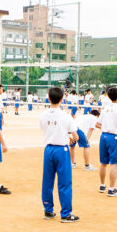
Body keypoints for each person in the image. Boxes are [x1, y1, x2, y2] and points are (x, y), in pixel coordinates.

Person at [39, 86, 79, 223]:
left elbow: (45, 129)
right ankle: (66, 213)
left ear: (49, 98)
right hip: (62, 150)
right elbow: (76, 137)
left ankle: (48, 210)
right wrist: (68, 136)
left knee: (47, 181)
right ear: (62, 99)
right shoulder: (66, 116)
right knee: (65, 182)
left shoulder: (43, 115)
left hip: (49, 149)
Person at [96, 87, 117, 196]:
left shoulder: (105, 108)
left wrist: (106, 127)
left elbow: (97, 124)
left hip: (103, 136)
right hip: (113, 137)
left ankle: (102, 185)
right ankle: (112, 189)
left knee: (103, 163)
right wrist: (116, 128)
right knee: (114, 163)